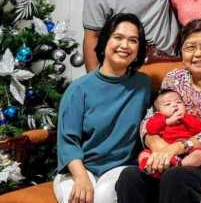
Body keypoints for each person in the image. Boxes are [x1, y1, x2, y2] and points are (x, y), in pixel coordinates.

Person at [116, 19, 201, 203]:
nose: (198, 54)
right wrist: (159, 147)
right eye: (190, 47)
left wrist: (177, 148)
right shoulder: (174, 78)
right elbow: (150, 119)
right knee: (129, 177)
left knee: (176, 178)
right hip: (167, 157)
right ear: (181, 53)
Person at [55, 13, 152, 203]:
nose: (125, 45)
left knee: (103, 197)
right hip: (79, 168)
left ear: (138, 49)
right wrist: (81, 177)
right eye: (118, 37)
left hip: (121, 168)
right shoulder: (78, 89)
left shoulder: (143, 85)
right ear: (105, 41)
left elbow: (153, 124)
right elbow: (68, 142)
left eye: (133, 40)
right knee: (79, 198)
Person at [137, 89, 201, 176]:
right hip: (163, 148)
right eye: (168, 104)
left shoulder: (188, 117)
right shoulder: (158, 117)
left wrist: (184, 117)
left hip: (186, 149)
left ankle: (183, 164)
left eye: (178, 102)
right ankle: (151, 168)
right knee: (144, 154)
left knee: (200, 152)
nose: (174, 105)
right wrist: (167, 121)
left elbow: (199, 129)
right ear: (158, 111)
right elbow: (150, 129)